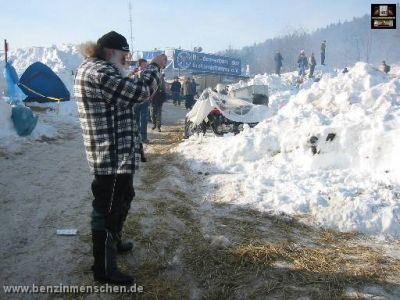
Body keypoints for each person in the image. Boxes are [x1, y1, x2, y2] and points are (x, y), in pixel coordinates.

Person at [74, 31, 167, 285]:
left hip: (119, 154)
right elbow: (135, 93)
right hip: (110, 156)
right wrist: (155, 68)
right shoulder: (98, 71)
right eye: (125, 55)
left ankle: (112, 245)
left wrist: (143, 73)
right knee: (107, 208)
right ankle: (103, 269)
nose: (128, 59)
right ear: (112, 52)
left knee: (123, 198)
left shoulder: (104, 68)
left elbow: (125, 92)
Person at [131, 59, 150, 143]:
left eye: (146, 65)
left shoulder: (147, 75)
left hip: (145, 100)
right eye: (144, 65)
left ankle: (144, 137)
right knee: (136, 119)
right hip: (135, 100)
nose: (146, 67)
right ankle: (137, 137)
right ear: (139, 65)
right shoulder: (134, 74)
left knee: (144, 119)